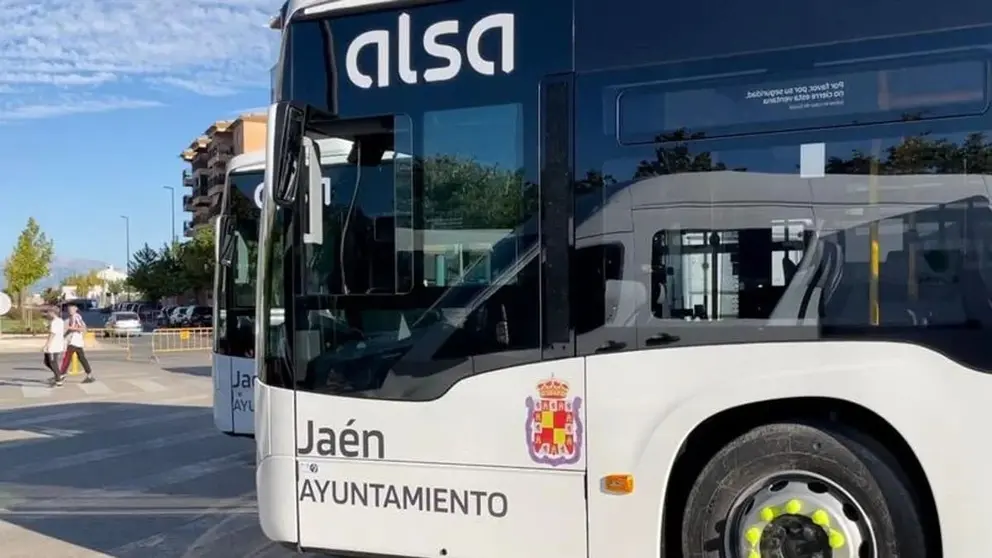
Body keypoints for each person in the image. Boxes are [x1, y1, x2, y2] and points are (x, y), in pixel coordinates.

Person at [61, 304, 96, 383]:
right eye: (69, 308)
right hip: (75, 341)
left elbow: (82, 328)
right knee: (81, 358)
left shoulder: (77, 317)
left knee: (67, 357)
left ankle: (61, 374)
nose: (70, 310)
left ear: (76, 309)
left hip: (75, 341)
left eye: (72, 308)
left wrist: (70, 328)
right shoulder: (71, 318)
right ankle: (89, 375)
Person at [42, 307, 66, 386]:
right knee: (47, 361)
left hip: (53, 345)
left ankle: (58, 379)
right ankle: (58, 374)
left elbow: (52, 334)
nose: (48, 314)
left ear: (53, 313)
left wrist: (47, 345)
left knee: (53, 362)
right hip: (58, 344)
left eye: (49, 312)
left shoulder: (55, 322)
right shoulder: (60, 321)